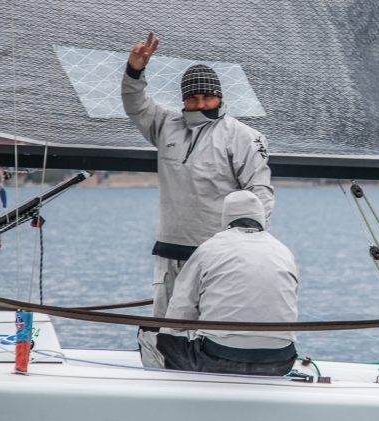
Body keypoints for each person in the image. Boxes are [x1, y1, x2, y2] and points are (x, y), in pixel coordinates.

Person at [121, 32, 275, 319]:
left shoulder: (243, 136)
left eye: (207, 97)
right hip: (170, 251)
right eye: (193, 98)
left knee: (213, 327)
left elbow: (260, 193)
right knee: (164, 329)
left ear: (220, 96)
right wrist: (134, 70)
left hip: (221, 255)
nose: (201, 104)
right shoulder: (166, 124)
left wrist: (253, 247)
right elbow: (135, 104)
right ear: (183, 100)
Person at [138, 191, 299, 375]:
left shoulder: (209, 249)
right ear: (261, 218)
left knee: (151, 334)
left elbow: (179, 313)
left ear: (225, 219)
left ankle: (167, 390)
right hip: (281, 360)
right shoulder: (284, 252)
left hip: (218, 358)